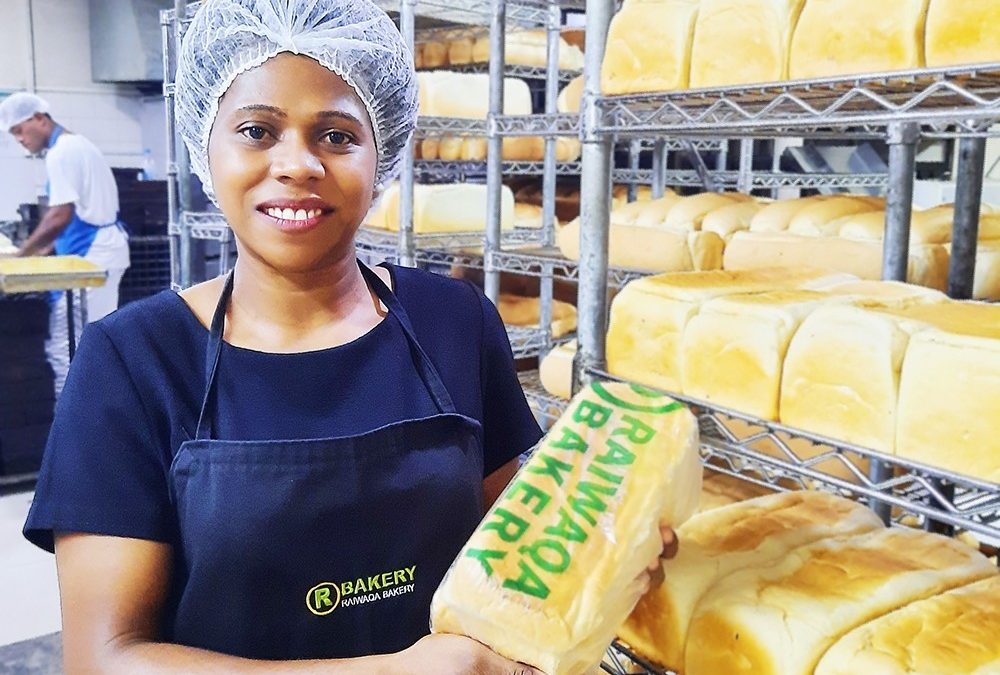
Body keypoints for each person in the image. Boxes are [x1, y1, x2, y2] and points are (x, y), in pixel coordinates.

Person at [23, 0, 677, 671]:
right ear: (205, 148)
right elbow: (105, 657)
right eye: (256, 130)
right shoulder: (134, 361)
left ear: (383, 153)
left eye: (336, 135)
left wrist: (603, 551)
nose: (298, 163)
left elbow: (517, 551)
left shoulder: (455, 320)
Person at [0, 92, 131, 396]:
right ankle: (94, 415)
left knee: (67, 347)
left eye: (19, 130)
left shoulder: (62, 153)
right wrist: (45, 251)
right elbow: (82, 212)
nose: (18, 139)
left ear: (39, 119)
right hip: (101, 251)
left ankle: (74, 425)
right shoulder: (79, 145)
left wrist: (21, 256)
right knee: (96, 342)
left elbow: (59, 215)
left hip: (93, 258)